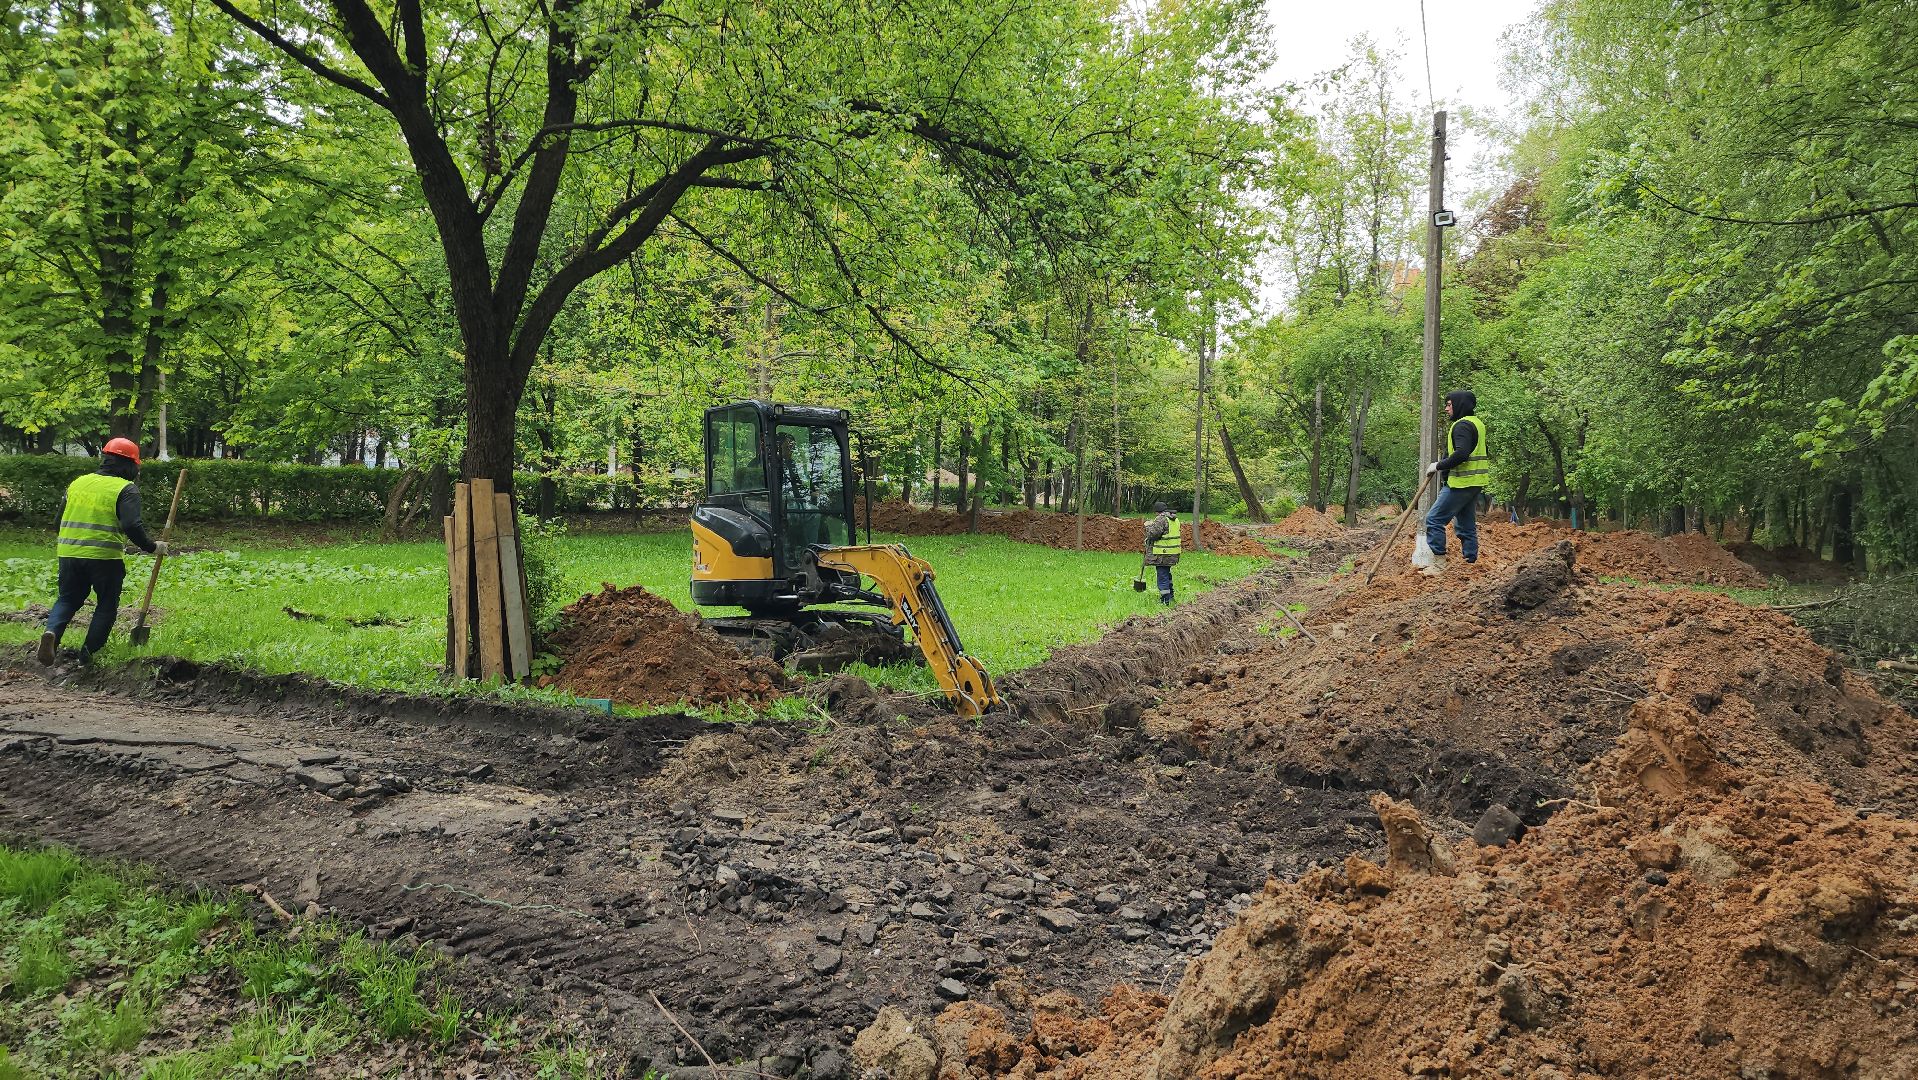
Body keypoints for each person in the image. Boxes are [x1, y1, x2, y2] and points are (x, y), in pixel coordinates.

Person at [37, 438, 165, 665]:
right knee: (106, 603)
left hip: (68, 553)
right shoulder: (126, 489)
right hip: (104, 557)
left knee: (67, 599)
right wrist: (152, 547)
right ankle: (88, 654)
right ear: (130, 465)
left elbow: (58, 522)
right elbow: (131, 525)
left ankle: (52, 635)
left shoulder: (78, 483)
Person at [1422, 390, 1490, 576]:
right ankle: (1471, 563)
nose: (1446, 408)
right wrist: (1443, 462)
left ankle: (1439, 563)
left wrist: (1438, 466)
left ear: (1459, 405)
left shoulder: (1462, 426)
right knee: (1465, 524)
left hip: (1462, 483)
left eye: (1449, 404)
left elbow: (1461, 453)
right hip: (1475, 482)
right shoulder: (1477, 423)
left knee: (1434, 519)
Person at [1143, 501, 1183, 605]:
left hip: (1162, 554)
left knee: (1162, 576)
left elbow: (1153, 534)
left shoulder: (1161, 519)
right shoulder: (1174, 519)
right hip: (1173, 553)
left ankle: (1165, 600)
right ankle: (1171, 596)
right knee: (1167, 574)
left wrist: (1148, 526)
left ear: (1157, 511)